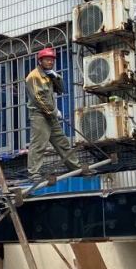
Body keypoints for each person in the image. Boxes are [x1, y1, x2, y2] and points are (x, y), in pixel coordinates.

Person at [25, 47, 81, 181]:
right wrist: (54, 111)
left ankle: (76, 168)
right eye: (47, 60)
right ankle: (34, 174)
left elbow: (61, 89)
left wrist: (56, 77)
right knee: (38, 144)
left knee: (62, 142)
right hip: (39, 115)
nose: (50, 62)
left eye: (52, 60)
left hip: (50, 114)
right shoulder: (33, 76)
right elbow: (38, 98)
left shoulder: (48, 75)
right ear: (40, 61)